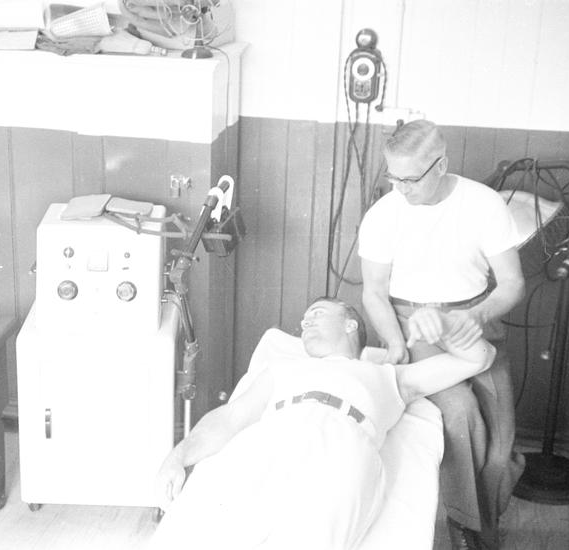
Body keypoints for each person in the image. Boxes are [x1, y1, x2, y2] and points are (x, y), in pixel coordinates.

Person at [151, 297, 496, 549]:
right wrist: (177, 457)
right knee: (205, 531)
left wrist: (444, 325)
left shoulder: (389, 376)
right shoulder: (282, 368)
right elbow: (230, 417)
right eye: (303, 320)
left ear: (350, 324)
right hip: (274, 434)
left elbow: (480, 358)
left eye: (316, 313)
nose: (305, 323)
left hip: (344, 443)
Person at [357, 119, 526, 549]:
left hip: (473, 318)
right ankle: (467, 528)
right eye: (393, 176)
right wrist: (396, 342)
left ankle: (482, 519)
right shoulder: (384, 214)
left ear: (441, 165)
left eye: (411, 178)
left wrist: (477, 315)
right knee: (460, 413)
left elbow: (512, 283)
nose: (401, 188)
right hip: (414, 324)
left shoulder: (483, 203)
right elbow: (374, 292)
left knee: (501, 440)